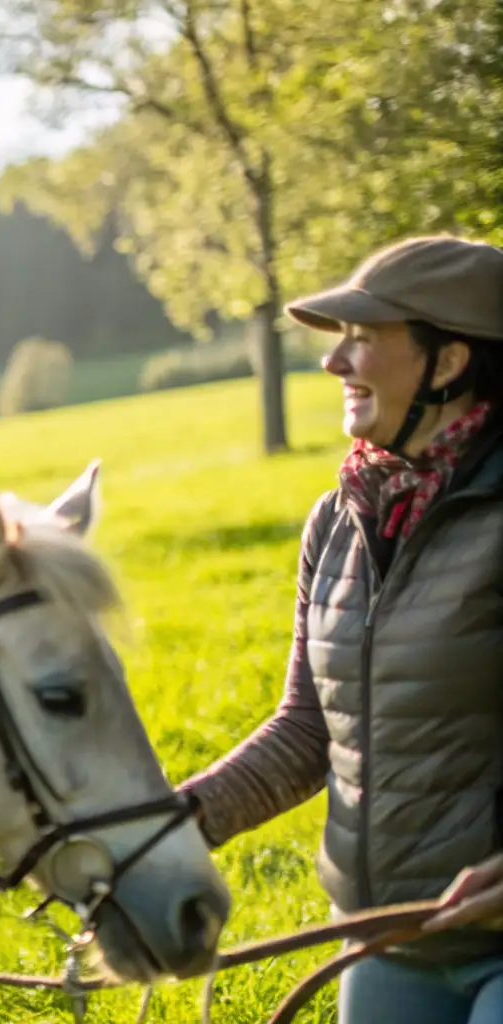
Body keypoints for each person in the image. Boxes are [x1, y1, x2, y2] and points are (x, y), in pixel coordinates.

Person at [176, 235, 503, 1022]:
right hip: (389, 939)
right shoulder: (340, 519)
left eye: (362, 338)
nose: (334, 362)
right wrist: (171, 824)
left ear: (449, 362)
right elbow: (307, 731)